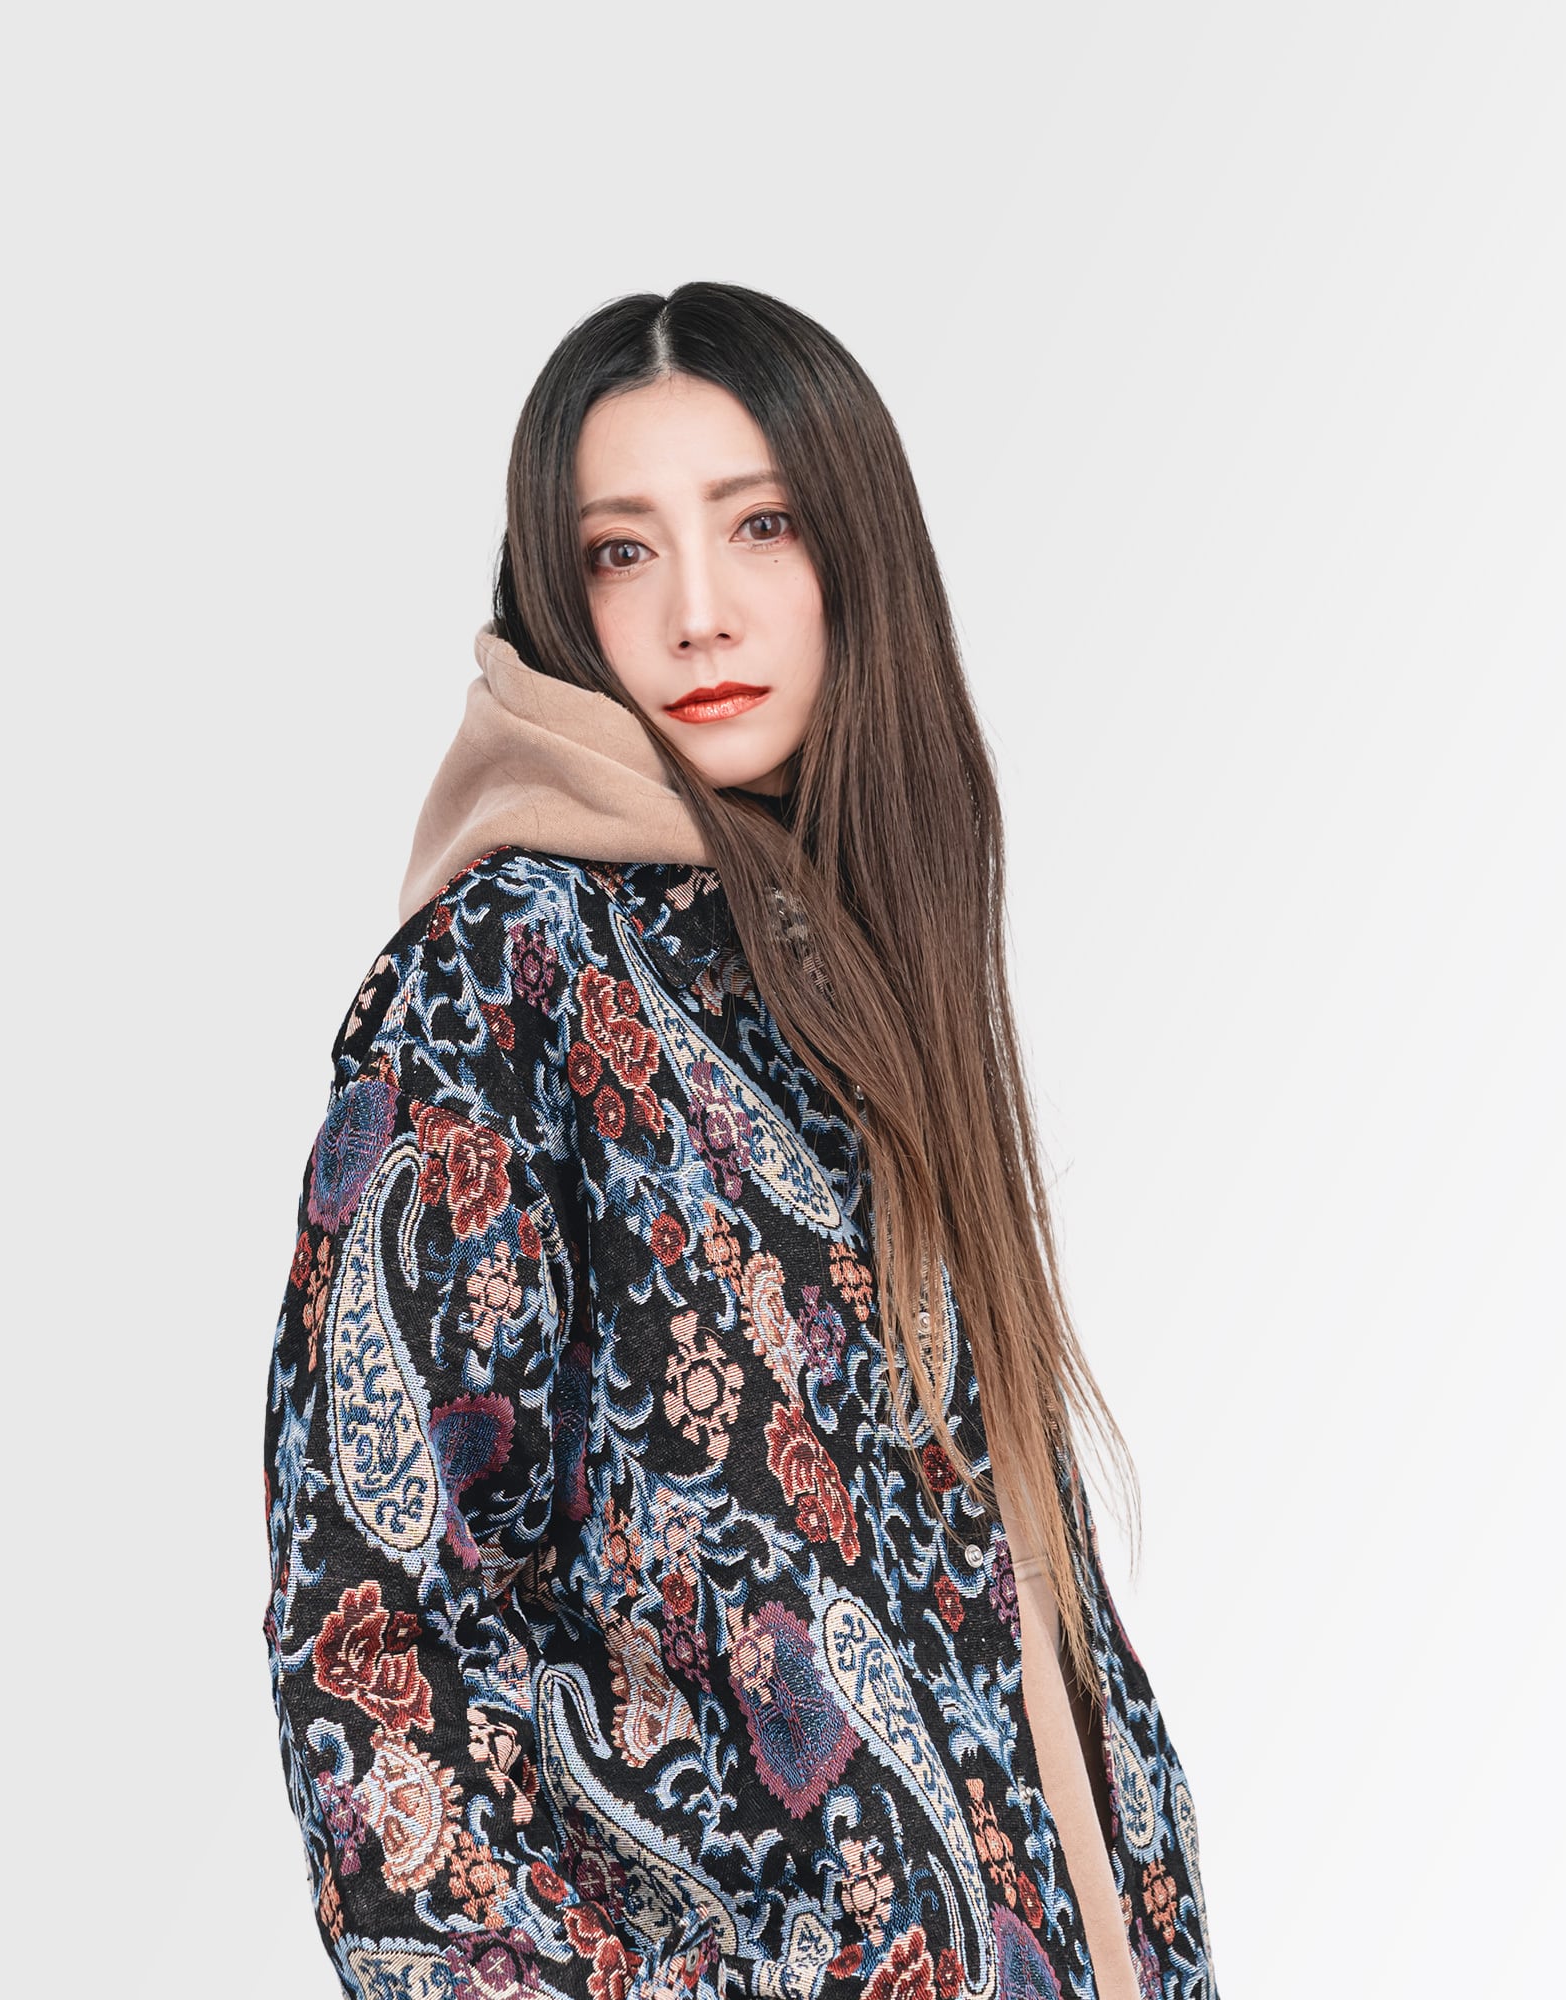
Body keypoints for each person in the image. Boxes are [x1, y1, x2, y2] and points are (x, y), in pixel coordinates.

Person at [261, 282, 1216, 2000]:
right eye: (622, 552)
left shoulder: (847, 972)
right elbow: (375, 1639)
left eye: (759, 525)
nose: (698, 614)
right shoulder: (506, 974)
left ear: (858, 555)